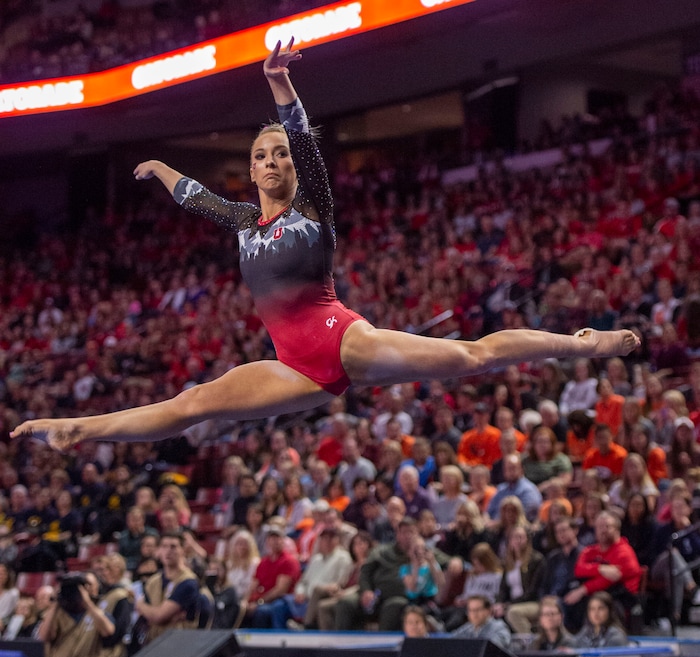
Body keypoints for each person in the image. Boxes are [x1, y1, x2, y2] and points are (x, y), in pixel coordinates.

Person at [9, 45, 638, 459]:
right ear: (250, 172)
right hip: (292, 366)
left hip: (340, 338)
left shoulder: (314, 210)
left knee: (472, 357)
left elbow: (307, 144)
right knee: (195, 404)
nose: (274, 160)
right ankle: (77, 430)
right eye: (261, 155)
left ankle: (579, 342)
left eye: (280, 152)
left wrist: (281, 86)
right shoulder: (242, 221)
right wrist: (160, 169)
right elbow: (198, 198)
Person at [38, 570, 115, 657]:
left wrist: (87, 602)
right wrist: (56, 601)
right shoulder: (56, 614)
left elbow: (108, 631)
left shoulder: (98, 610)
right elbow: (43, 637)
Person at [134, 531, 200, 646]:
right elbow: (145, 618)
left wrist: (141, 606)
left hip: (179, 645)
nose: (168, 551)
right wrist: (160, 616)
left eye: (173, 547)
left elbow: (160, 616)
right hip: (153, 643)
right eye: (164, 546)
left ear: (183, 550)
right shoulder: (153, 581)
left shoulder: (188, 582)